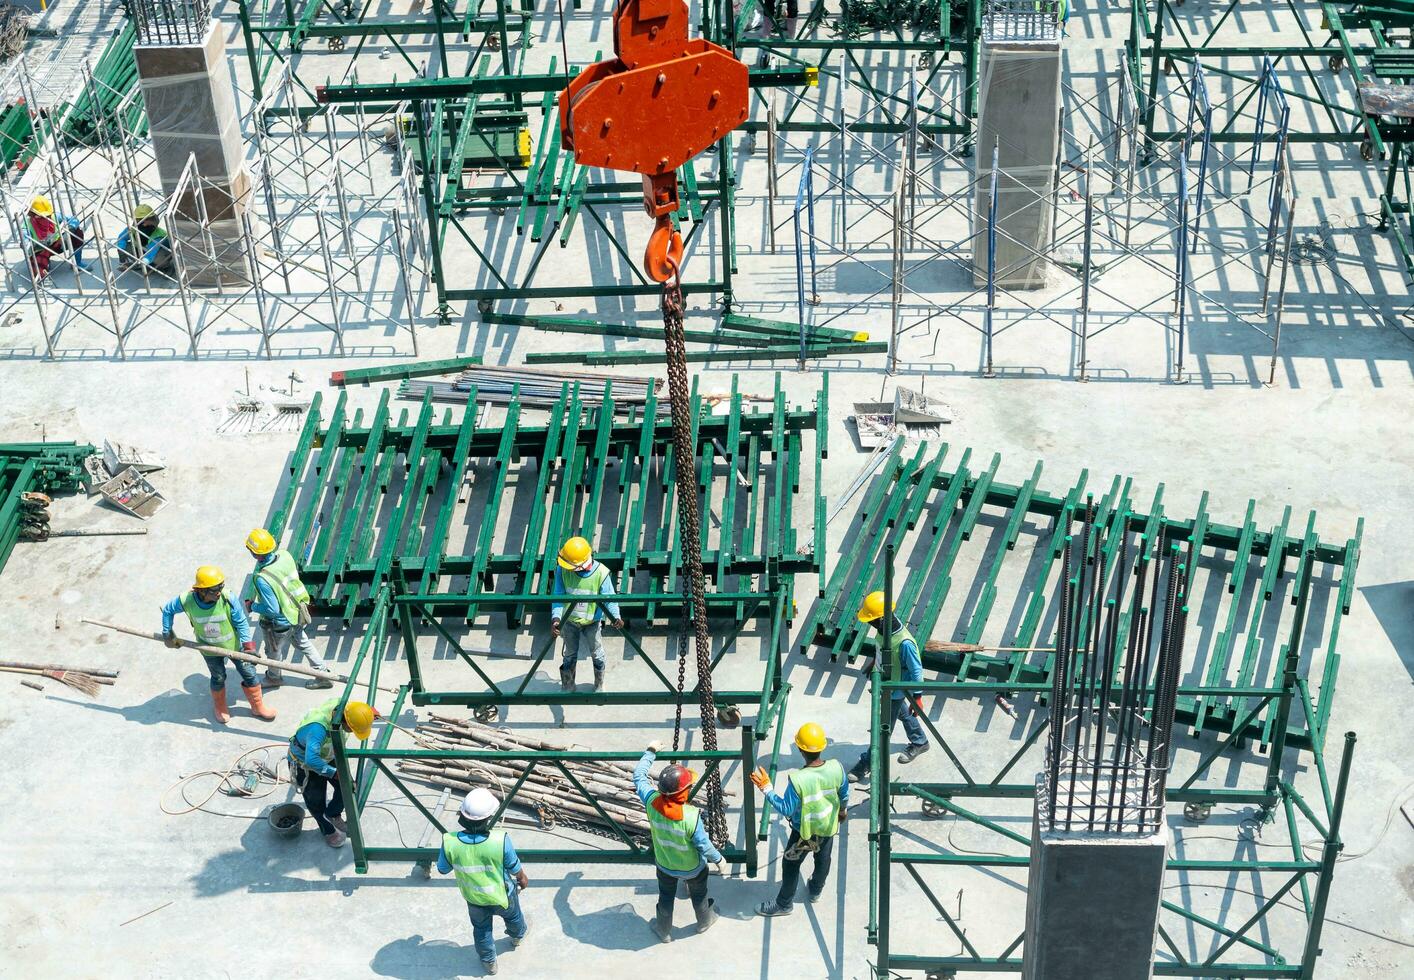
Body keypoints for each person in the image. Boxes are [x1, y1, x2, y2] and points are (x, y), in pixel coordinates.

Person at [751, 722, 848, 915]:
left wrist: (766, 789)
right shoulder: (837, 768)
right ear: (822, 746)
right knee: (823, 860)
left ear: (800, 749)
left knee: (791, 863)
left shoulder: (798, 780)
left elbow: (786, 809)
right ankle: (815, 891)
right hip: (828, 827)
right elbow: (844, 795)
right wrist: (842, 812)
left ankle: (784, 904)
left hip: (805, 834)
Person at [161, 565, 275, 725]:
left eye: (221, 587)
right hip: (209, 649)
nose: (219, 592)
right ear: (201, 590)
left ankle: (258, 706)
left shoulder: (227, 598)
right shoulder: (187, 600)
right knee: (218, 677)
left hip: (235, 647)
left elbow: (242, 622)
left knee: (250, 674)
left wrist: (248, 646)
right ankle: (220, 707)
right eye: (214, 590)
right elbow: (167, 610)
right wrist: (167, 632)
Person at [634, 740, 724, 942]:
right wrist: (719, 859)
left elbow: (638, 777)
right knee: (699, 894)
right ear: (683, 793)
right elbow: (704, 845)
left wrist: (650, 751)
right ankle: (704, 922)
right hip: (693, 867)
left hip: (665, 865)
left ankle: (663, 931)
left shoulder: (651, 802)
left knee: (666, 896)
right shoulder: (691, 816)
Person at [437, 788, 530, 975]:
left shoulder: (449, 841)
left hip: (474, 899)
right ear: (488, 817)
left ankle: (489, 962)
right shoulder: (500, 840)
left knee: (481, 930)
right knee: (513, 917)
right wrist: (522, 878)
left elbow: (442, 869)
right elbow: (513, 866)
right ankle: (517, 937)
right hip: (503, 895)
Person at [849, 590, 928, 784]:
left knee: (882, 729)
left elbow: (917, 670)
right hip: (887, 685)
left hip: (895, 689)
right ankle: (920, 741)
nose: (870, 624)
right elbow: (884, 650)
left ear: (882, 619)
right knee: (903, 713)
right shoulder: (884, 630)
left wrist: (917, 697)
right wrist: (874, 662)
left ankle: (867, 762)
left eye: (872, 621)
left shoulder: (905, 643)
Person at [244, 528, 334, 689]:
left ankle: (273, 677)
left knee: (273, 651)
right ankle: (323, 674)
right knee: (304, 643)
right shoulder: (285, 555)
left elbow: (272, 609)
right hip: (297, 613)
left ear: (255, 554)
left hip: (280, 624)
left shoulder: (262, 578)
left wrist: (254, 606)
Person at [288, 698, 378, 848]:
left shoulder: (346, 707)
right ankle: (328, 830)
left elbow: (358, 710)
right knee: (316, 801)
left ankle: (333, 813)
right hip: (306, 763)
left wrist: (368, 713)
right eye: (352, 729)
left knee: (348, 786)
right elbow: (312, 760)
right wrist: (333, 773)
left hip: (328, 753)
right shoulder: (317, 729)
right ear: (345, 723)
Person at [550, 536, 623, 692]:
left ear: (580, 564)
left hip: (592, 623)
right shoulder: (561, 571)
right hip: (569, 622)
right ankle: (568, 686)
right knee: (569, 654)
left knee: (597, 654)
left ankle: (599, 684)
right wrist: (556, 619)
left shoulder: (601, 573)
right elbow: (558, 596)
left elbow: (610, 599)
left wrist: (616, 616)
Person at [26, 194, 89, 281]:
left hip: (57, 243)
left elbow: (74, 220)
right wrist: (25, 243)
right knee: (40, 276)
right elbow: (24, 238)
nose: (45, 218)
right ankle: (44, 263)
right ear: (32, 214)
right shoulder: (27, 224)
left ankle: (77, 262)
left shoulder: (55, 216)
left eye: (47, 216)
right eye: (41, 216)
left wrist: (70, 227)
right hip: (40, 250)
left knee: (77, 233)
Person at [116, 204, 173, 274]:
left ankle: (165, 267)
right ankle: (145, 265)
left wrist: (140, 263)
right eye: (140, 220)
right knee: (126, 247)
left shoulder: (159, 235)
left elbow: (151, 253)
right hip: (144, 250)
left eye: (146, 220)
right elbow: (122, 238)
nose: (144, 223)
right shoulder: (133, 229)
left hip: (158, 253)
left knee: (158, 260)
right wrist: (121, 250)